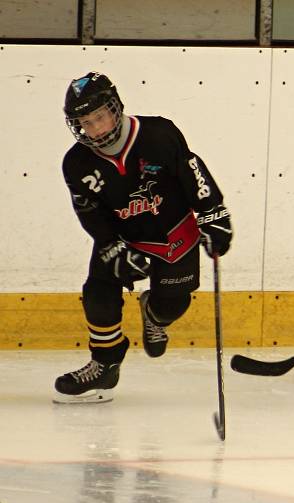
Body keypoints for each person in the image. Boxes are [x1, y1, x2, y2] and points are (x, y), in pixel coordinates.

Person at [54, 71, 233, 404]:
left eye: (100, 117)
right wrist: (111, 244)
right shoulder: (76, 164)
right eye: (86, 122)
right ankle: (105, 365)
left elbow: (192, 170)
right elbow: (89, 212)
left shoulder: (158, 134)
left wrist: (213, 211)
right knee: (98, 293)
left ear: (115, 107)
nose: (96, 129)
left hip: (174, 231)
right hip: (124, 237)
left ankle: (153, 314)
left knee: (173, 304)